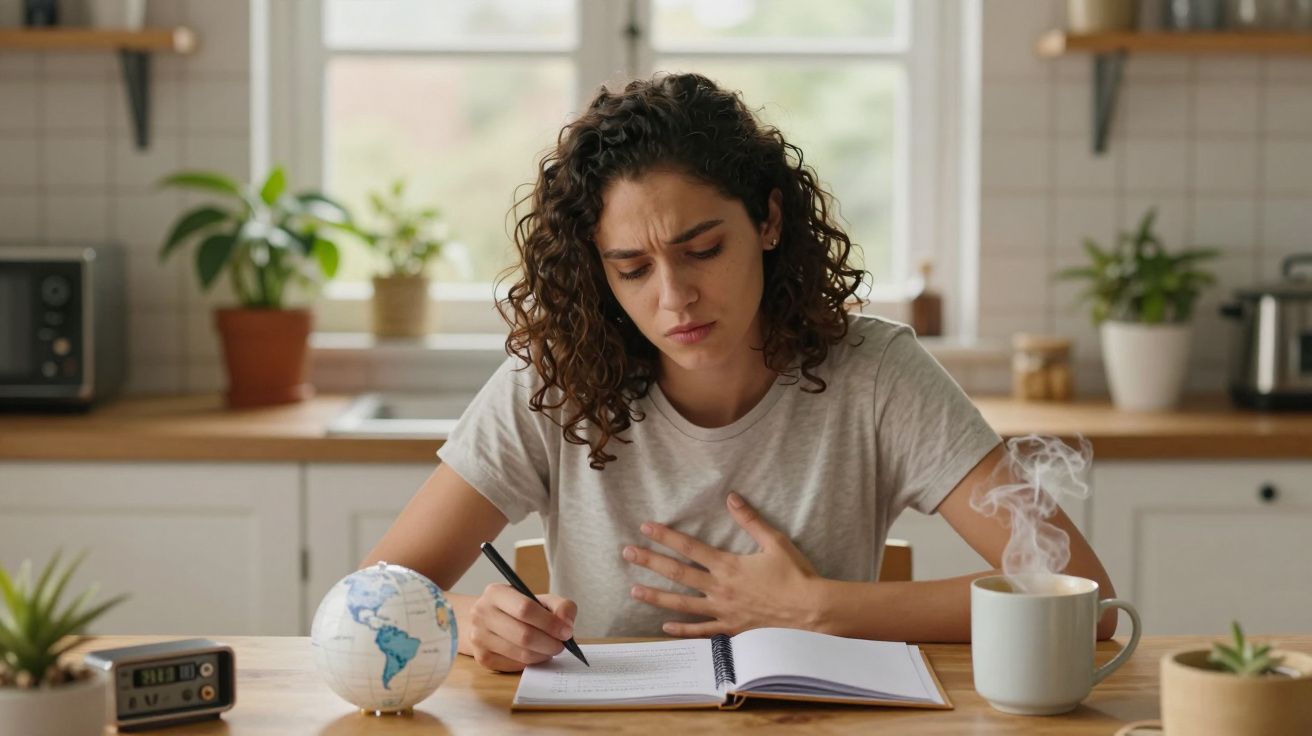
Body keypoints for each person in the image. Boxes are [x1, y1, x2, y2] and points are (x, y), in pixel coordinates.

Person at [363, 72, 1117, 674]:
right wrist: (471, 623)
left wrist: (818, 608)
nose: (673, 296)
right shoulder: (553, 382)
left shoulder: (879, 374)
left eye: (702, 250)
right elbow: (368, 598)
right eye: (632, 268)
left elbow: (1090, 602)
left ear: (769, 221)